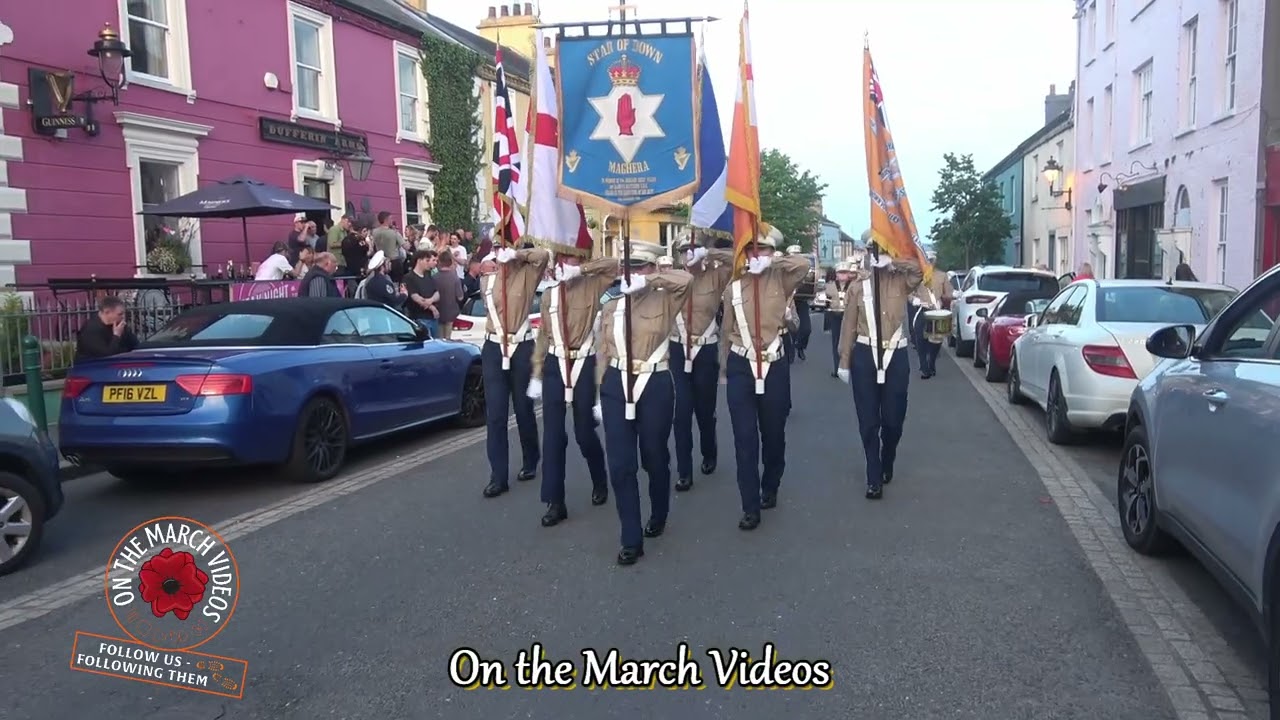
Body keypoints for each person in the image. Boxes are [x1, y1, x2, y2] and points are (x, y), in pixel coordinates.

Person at [594, 241, 691, 565]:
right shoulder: (611, 307)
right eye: (629, 267)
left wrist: (652, 279)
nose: (633, 272)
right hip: (616, 386)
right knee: (621, 466)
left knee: (654, 457)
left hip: (654, 384)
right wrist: (598, 392)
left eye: (641, 266)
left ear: (652, 268)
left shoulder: (666, 299)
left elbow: (686, 281)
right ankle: (630, 538)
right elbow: (603, 352)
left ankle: (659, 510)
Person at [719, 226, 810, 531]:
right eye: (752, 250)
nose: (756, 255)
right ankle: (749, 505)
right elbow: (726, 330)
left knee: (773, 434)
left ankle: (770, 484)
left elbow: (804, 265)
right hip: (741, 365)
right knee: (744, 439)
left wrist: (773, 260)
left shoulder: (781, 279)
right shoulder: (734, 287)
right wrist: (722, 369)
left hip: (774, 364)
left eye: (763, 250)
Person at [526, 240, 618, 527]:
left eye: (571, 259)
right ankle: (555, 501)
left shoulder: (591, 284)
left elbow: (614, 265)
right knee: (553, 435)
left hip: (583, 363)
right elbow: (543, 336)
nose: (565, 264)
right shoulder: (550, 295)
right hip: (555, 364)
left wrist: (582, 269)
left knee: (583, 433)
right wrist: (537, 372)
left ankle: (599, 478)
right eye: (562, 260)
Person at [837, 230, 924, 499]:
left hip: (895, 356)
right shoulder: (857, 286)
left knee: (893, 420)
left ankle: (888, 458)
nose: (877, 255)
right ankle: (873, 475)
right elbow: (848, 325)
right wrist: (844, 360)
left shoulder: (901, 281)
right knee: (868, 421)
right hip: (865, 354)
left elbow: (921, 270)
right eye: (874, 250)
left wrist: (894, 262)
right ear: (867, 252)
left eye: (882, 250)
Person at [480, 244, 551, 499]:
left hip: (521, 347)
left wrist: (518, 255)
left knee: (523, 408)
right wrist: (493, 262)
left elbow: (543, 256)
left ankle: (531, 459)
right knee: (496, 414)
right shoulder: (487, 279)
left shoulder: (527, 275)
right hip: (494, 347)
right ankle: (498, 477)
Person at [668, 232, 734, 493]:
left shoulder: (715, 276)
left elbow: (735, 261)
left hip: (705, 351)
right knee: (680, 413)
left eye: (693, 249)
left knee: (704, 412)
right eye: (685, 250)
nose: (689, 254)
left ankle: (710, 452)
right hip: (676, 349)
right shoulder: (672, 279)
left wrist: (710, 252)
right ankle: (684, 470)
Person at [909, 251, 951, 379]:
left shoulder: (942, 276)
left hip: (937, 312)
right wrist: (914, 300)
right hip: (922, 310)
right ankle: (924, 368)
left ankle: (931, 362)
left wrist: (946, 298)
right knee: (920, 340)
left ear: (935, 261)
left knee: (936, 341)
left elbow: (948, 292)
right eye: (928, 260)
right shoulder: (917, 276)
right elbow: (908, 292)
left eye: (931, 260)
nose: (930, 263)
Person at [74, 296, 139, 363]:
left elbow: (135, 344)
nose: (123, 317)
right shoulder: (91, 330)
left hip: (120, 364)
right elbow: (107, 355)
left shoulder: (118, 324)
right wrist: (116, 336)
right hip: (92, 367)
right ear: (107, 312)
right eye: (120, 314)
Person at [822, 261, 854, 377]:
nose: (842, 275)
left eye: (845, 273)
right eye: (840, 273)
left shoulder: (853, 285)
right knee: (836, 342)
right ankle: (837, 368)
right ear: (836, 274)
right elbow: (825, 301)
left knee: (850, 342)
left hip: (849, 316)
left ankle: (849, 366)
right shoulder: (830, 285)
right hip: (835, 315)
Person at [402, 250, 440, 336]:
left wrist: (431, 300)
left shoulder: (428, 275)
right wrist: (431, 307)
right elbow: (415, 296)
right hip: (419, 317)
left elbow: (437, 292)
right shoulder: (409, 277)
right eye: (426, 260)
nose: (428, 263)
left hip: (433, 318)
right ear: (419, 261)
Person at [786, 245, 813, 361]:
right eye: (793, 255)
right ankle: (790, 351)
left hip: (802, 300)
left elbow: (812, 280)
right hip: (789, 299)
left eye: (798, 254)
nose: (796, 257)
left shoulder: (806, 266)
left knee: (806, 328)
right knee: (790, 326)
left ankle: (800, 346)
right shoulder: (785, 268)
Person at [434, 252, 464, 339]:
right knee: (449, 339)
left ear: (439, 262)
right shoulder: (455, 277)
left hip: (438, 312)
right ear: (450, 262)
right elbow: (460, 297)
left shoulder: (434, 277)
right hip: (452, 313)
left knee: (439, 339)